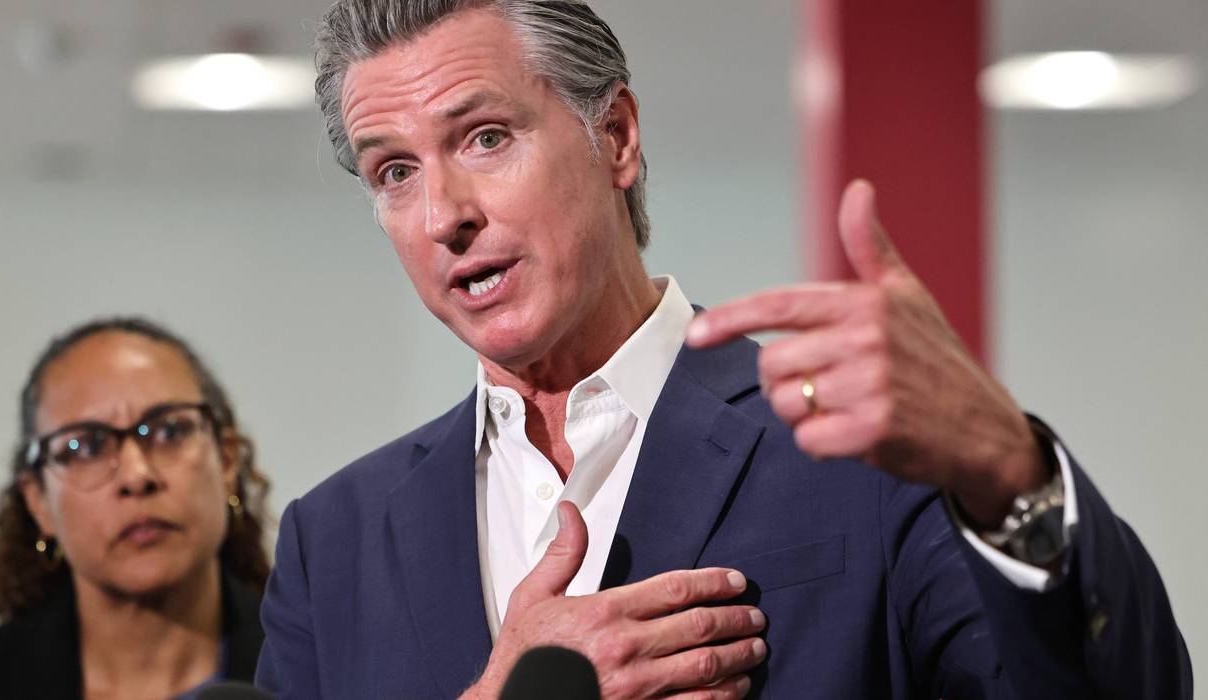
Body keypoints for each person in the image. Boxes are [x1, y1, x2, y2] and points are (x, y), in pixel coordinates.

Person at [256, 1, 1191, 698]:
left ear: (615, 136)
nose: (442, 215)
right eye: (394, 171)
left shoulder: (861, 458)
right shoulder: (329, 544)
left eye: (485, 137)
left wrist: (1013, 471)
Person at [0, 318, 272, 699]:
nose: (136, 476)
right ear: (39, 501)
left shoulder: (318, 672)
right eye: (86, 447)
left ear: (226, 463)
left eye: (170, 431)